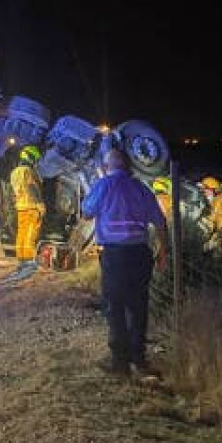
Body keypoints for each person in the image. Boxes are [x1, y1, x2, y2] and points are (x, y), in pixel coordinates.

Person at [81, 148, 168, 376]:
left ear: (107, 166)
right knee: (138, 306)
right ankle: (139, 358)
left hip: (115, 255)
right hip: (140, 254)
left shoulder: (104, 185)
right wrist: (163, 251)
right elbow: (160, 221)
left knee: (115, 307)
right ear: (128, 166)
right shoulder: (141, 188)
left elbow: (87, 212)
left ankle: (119, 363)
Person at [9, 145, 46, 263]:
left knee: (21, 233)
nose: (36, 162)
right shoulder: (28, 171)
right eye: (35, 159)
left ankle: (21, 258)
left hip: (20, 207)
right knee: (31, 233)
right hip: (31, 207)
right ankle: (29, 259)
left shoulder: (14, 172)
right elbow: (31, 187)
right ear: (31, 158)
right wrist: (40, 204)